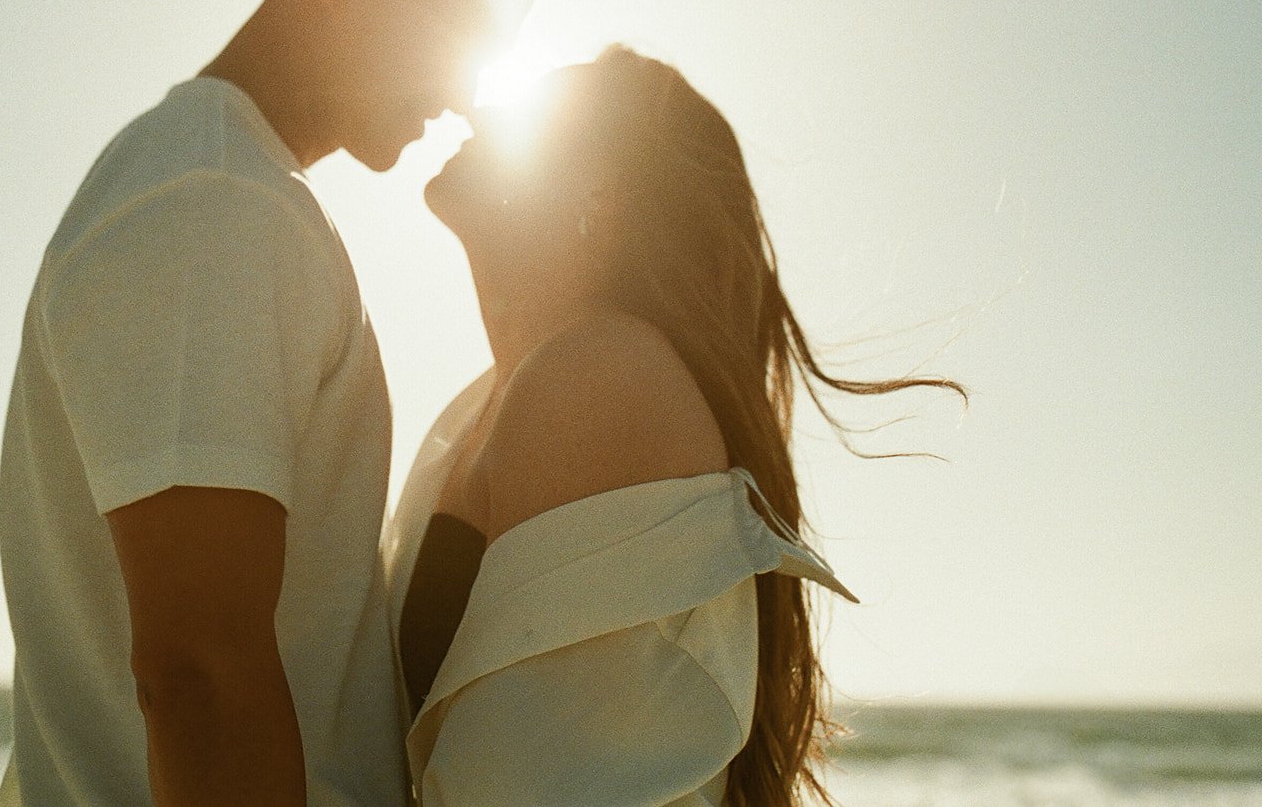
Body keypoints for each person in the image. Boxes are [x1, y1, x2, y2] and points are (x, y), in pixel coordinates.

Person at [0, 0, 547, 806]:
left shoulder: (220, 189)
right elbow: (197, 672)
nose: (470, 95)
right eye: (463, 32)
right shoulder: (213, 199)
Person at [385, 46, 966, 806]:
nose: (485, 106)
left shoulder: (603, 378)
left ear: (601, 182)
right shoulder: (488, 402)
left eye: (539, 103)